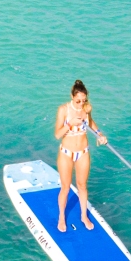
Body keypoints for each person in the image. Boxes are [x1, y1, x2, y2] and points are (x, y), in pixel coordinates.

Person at [54, 79, 107, 233]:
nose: (80, 104)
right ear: (72, 96)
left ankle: (84, 216)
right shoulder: (63, 110)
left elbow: (90, 123)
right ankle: (62, 217)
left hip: (83, 152)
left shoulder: (86, 108)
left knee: (82, 186)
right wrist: (70, 124)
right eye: (78, 101)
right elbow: (57, 134)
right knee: (65, 187)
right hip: (66, 153)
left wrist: (99, 134)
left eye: (83, 101)